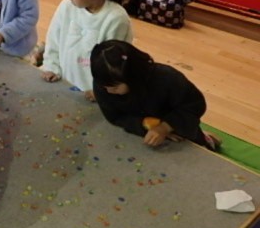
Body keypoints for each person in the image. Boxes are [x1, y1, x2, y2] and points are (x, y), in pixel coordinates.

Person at [90, 40, 221, 151]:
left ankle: (207, 139)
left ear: (133, 76)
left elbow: (195, 105)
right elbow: (115, 117)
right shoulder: (103, 84)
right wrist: (145, 126)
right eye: (104, 86)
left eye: (114, 87)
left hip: (178, 127)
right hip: (144, 131)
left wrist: (165, 127)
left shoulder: (167, 78)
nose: (108, 91)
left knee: (198, 150)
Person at [40, 0, 133, 101]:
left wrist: (101, 92)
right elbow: (54, 38)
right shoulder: (68, 5)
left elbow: (115, 65)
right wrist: (51, 66)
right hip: (63, 84)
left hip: (92, 95)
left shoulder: (116, 18)